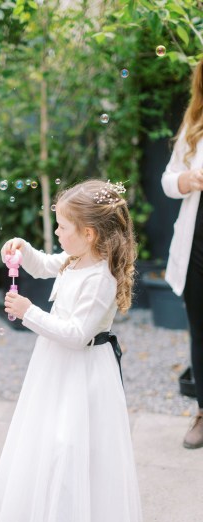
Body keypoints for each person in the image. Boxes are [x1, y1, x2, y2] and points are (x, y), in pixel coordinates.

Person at [0, 179, 142, 522]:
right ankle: (49, 521)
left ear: (88, 233)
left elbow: (75, 335)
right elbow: (44, 264)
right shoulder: (75, 260)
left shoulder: (100, 279)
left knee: (78, 446)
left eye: (62, 227)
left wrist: (28, 312)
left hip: (85, 372)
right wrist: (22, 247)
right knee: (50, 440)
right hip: (56, 371)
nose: (56, 233)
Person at [161, 58, 203, 449]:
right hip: (197, 243)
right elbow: (167, 180)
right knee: (201, 328)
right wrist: (185, 179)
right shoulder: (194, 125)